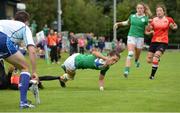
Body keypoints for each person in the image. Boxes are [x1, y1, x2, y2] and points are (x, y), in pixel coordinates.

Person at [0, 11, 38, 108]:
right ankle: (23, 102)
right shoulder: (24, 27)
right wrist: (34, 72)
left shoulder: (6, 23)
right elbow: (32, 51)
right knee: (25, 68)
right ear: (26, 21)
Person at [114, 2, 152, 78]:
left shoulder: (145, 18)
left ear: (143, 9)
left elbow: (147, 30)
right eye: (138, 8)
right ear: (136, 9)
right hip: (131, 36)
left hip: (140, 38)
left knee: (137, 55)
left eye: (141, 8)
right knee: (130, 53)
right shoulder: (132, 16)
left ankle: (136, 60)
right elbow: (126, 23)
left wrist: (149, 26)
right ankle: (126, 71)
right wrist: (118, 24)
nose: (139, 9)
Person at [145, 4, 178, 80]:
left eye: (160, 10)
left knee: (156, 57)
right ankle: (157, 59)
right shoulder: (153, 20)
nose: (158, 12)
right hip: (154, 41)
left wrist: (173, 27)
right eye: (157, 11)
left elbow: (175, 26)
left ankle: (152, 76)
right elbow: (147, 30)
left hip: (163, 41)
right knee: (149, 60)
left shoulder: (169, 19)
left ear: (164, 12)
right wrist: (149, 27)